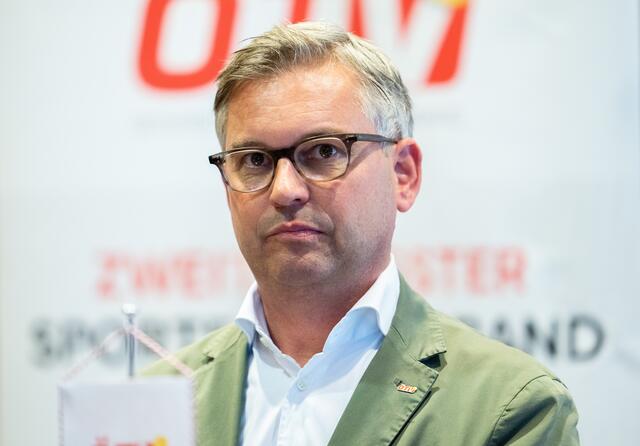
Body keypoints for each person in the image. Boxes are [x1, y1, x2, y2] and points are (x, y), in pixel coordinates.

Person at [145, 21, 579, 446]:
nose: (285, 190)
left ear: (403, 174)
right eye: (255, 160)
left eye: (324, 151)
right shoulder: (152, 404)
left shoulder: (510, 408)